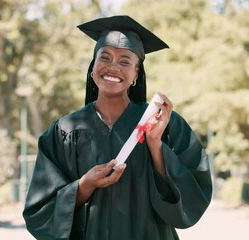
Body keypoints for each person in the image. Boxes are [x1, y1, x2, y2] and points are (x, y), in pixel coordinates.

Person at [23, 15, 213, 240]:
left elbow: (193, 195)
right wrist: (84, 186)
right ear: (92, 67)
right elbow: (40, 211)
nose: (113, 67)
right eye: (104, 57)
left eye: (125, 61)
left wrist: (155, 145)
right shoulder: (64, 131)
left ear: (136, 74)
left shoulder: (164, 123)